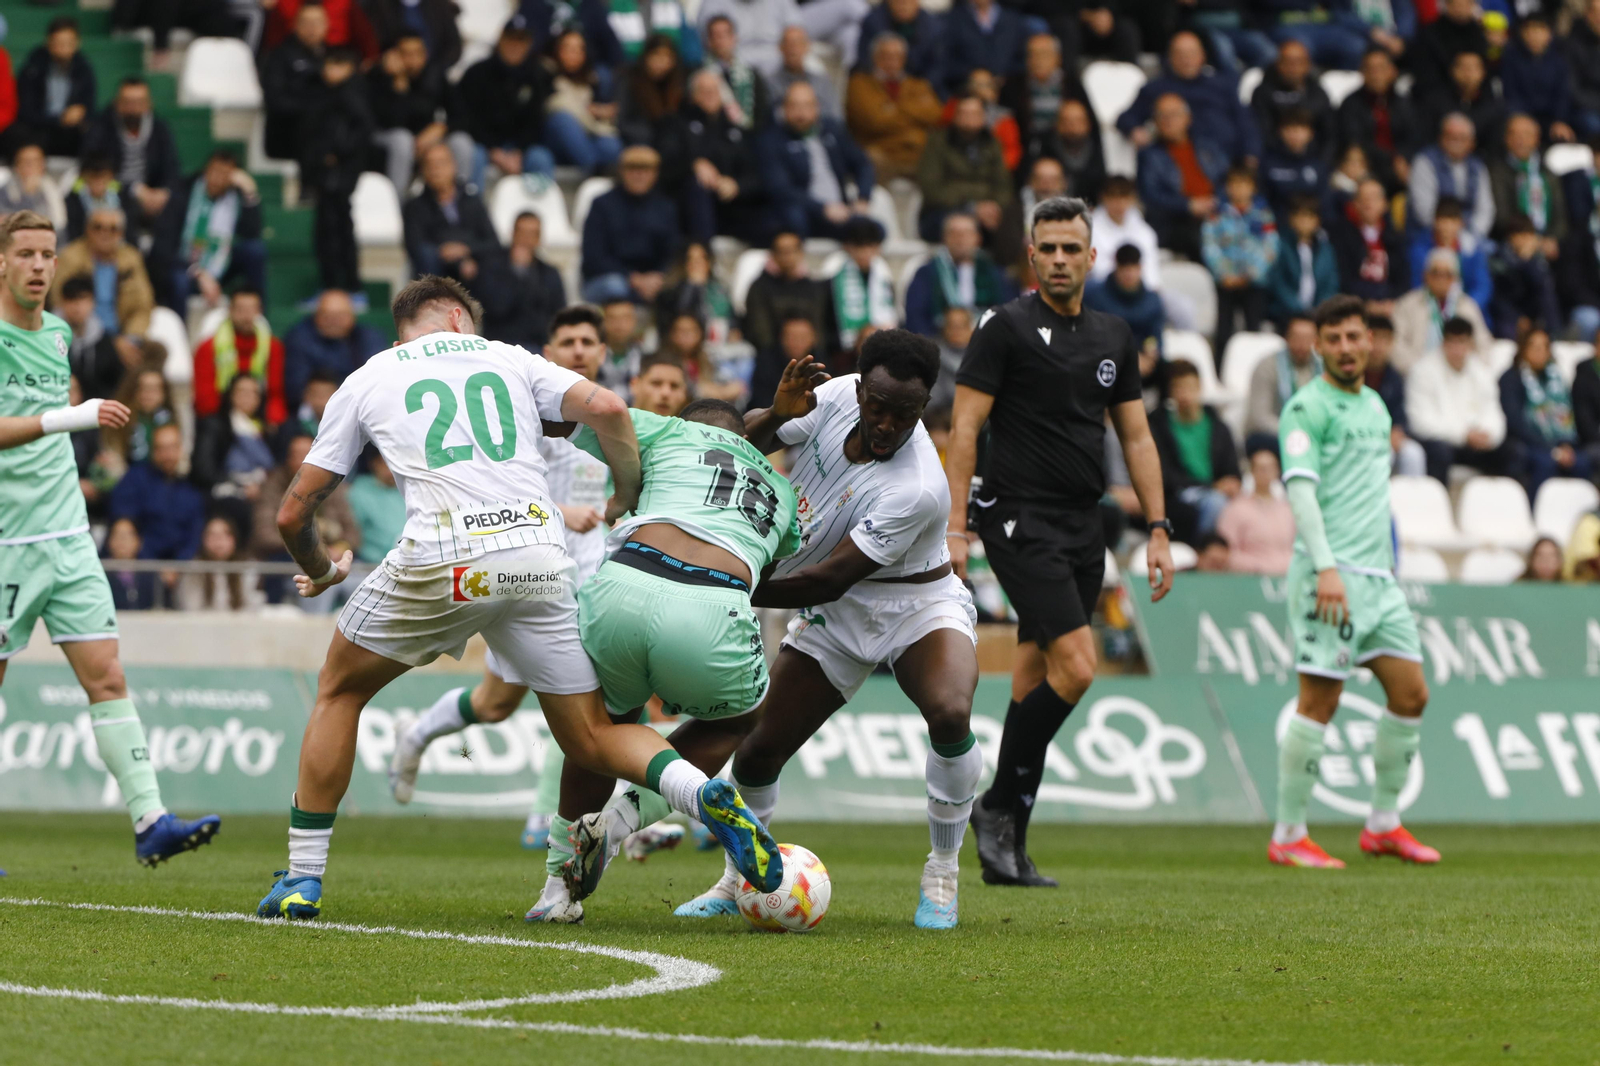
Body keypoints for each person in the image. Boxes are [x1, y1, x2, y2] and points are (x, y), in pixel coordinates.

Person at [255, 276, 783, 921]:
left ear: (408, 331)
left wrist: (321, 568)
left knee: (340, 690)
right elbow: (613, 410)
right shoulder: (507, 355)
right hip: (538, 560)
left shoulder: (371, 373)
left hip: (444, 560)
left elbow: (293, 511)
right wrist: (625, 494)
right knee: (592, 736)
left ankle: (303, 878)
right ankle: (701, 796)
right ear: (457, 317)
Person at [658, 329, 981, 929]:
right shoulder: (830, 398)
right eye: (878, 407)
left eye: (905, 415)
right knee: (756, 753)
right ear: (859, 389)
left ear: (923, 408)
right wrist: (775, 414)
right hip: (840, 614)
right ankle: (735, 881)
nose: (886, 424)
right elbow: (734, 446)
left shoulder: (920, 488)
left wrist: (729, 583)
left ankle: (942, 869)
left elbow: (825, 580)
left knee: (950, 712)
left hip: (918, 604)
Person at [944, 197, 1174, 885]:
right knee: (1078, 667)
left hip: (1084, 521)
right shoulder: (1004, 327)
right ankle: (996, 807)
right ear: (1031, 254)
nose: (1060, 260)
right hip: (1017, 517)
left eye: (1073, 249)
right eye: (1048, 249)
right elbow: (962, 433)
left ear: (1092, 256)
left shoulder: (1113, 334)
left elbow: (1135, 435)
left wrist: (1159, 529)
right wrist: (957, 528)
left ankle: (1006, 843)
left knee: (1034, 677)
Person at [0, 211, 220, 864]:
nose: (39, 266)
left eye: (47, 255)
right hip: (7, 542)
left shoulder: (60, 334)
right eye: (26, 255)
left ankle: (151, 821)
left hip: (66, 537)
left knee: (108, 675)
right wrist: (73, 416)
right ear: (2, 264)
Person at [387, 305, 607, 851]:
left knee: (595, 696)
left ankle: (559, 822)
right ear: (549, 353)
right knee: (496, 704)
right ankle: (417, 734)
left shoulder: (610, 411)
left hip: (599, 578)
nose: (579, 350)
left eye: (588, 341)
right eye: (567, 341)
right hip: (532, 567)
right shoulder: (523, 407)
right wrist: (561, 510)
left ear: (603, 351)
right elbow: (489, 485)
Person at [1270, 293, 1438, 869]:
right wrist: (1326, 568)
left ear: (1371, 341)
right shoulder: (1305, 408)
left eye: (1354, 336)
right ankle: (1289, 833)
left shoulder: (1376, 408)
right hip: (1330, 576)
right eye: (1333, 338)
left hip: (1379, 581)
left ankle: (1383, 824)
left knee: (1411, 693)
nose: (1345, 348)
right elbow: (1301, 492)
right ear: (1317, 346)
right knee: (1320, 702)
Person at [1117, 32, 1260, 168]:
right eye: (1180, 54)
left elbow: (1245, 121)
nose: (1186, 60)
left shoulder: (1222, 86)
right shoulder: (1156, 89)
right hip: (1176, 165)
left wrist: (1250, 153)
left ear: (1202, 56)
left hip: (1227, 159)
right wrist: (1135, 130)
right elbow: (1127, 117)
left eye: (1191, 54)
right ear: (1170, 57)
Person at [759, 81, 875, 241]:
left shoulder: (832, 131)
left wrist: (863, 198)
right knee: (793, 219)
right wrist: (822, 208)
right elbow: (780, 189)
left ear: (817, 108)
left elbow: (863, 165)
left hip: (840, 209)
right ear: (784, 109)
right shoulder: (772, 140)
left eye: (807, 106)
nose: (801, 113)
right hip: (805, 211)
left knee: (873, 231)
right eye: (794, 106)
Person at [302, 49, 374, 295]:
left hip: (338, 175)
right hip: (330, 174)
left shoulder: (349, 93)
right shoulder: (332, 92)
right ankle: (341, 287)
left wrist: (335, 152)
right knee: (332, 229)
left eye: (335, 65)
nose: (328, 71)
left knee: (334, 230)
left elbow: (362, 128)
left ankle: (342, 287)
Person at [157, 150, 265, 313]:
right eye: (213, 171)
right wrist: (198, 273)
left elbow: (252, 233)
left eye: (224, 174)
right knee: (179, 280)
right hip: (184, 265)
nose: (216, 179)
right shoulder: (184, 193)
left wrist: (249, 192)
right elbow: (164, 248)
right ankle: (179, 333)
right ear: (205, 170)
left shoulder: (234, 198)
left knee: (255, 250)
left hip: (221, 263)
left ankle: (259, 319)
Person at [1407, 315, 1511, 484]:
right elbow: (1420, 422)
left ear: (1471, 344)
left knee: (1513, 453)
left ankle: (1500, 507)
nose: (1456, 349)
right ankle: (1437, 506)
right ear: (1443, 343)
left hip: (1475, 443)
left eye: (1461, 342)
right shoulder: (1422, 371)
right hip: (1443, 442)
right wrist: (1463, 435)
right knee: (1439, 452)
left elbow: (1494, 414)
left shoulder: (1481, 372)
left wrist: (1488, 435)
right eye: (1451, 342)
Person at [369, 32, 474, 195]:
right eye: (406, 54)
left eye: (418, 53)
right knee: (402, 140)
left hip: (424, 139)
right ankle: (397, 206)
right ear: (393, 55)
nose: (413, 60)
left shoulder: (434, 74)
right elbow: (388, 120)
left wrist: (441, 128)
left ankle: (460, 203)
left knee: (461, 142)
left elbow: (462, 114)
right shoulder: (377, 76)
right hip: (384, 138)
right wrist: (398, 85)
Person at [1149, 359, 1242, 543]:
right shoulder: (1160, 426)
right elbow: (1166, 476)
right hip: (1180, 493)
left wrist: (1232, 482)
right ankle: (1204, 549)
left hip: (1214, 491)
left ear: (1199, 387)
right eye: (1178, 388)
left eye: (1189, 387)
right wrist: (1212, 486)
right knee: (1215, 502)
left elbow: (1233, 469)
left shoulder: (1219, 427)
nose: (1184, 394)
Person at [454, 16, 553, 185]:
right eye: (511, 39)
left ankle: (538, 209)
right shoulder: (477, 73)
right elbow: (467, 117)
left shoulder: (537, 76)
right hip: (483, 145)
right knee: (474, 156)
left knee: (541, 157)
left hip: (519, 149)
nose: (515, 46)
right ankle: (473, 207)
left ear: (529, 44)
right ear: (501, 39)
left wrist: (519, 151)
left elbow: (536, 122)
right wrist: (494, 151)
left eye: (521, 40)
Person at [52, 207, 154, 370]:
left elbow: (143, 307)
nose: (105, 233)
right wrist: (111, 341)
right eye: (98, 227)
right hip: (83, 333)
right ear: (87, 230)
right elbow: (60, 302)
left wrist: (131, 338)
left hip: (124, 334)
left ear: (121, 234)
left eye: (113, 229)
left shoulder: (131, 259)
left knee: (156, 353)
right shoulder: (70, 257)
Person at [579, 145, 679, 305]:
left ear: (655, 174)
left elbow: (671, 252)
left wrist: (657, 277)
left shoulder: (665, 208)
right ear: (621, 171)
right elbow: (594, 257)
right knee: (615, 287)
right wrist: (634, 278)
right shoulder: (602, 205)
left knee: (679, 290)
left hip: (652, 281)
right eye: (633, 169)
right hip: (608, 279)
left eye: (646, 170)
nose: (639, 175)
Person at [1136, 94, 1226, 261]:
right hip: (1178, 222)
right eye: (1162, 116)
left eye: (1174, 115)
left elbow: (1225, 179)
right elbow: (1150, 196)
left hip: (1216, 212)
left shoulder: (1207, 147)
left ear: (1188, 118)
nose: (1168, 121)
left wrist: (1215, 201)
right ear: (1155, 122)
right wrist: (1188, 205)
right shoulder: (1149, 156)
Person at [1500, 327, 1590, 497]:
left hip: (1557, 442)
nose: (1540, 352)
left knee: (1582, 461)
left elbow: (1566, 416)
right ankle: (1535, 513)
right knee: (1544, 462)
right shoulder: (1511, 378)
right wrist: (1549, 449)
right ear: (1523, 349)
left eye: (1544, 347)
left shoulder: (1556, 378)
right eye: (1534, 347)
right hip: (1529, 442)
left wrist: (1565, 445)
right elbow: (1515, 422)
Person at [915, 95, 1014, 245]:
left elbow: (1003, 185)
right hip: (943, 210)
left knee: (1011, 219)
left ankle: (1001, 268)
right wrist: (973, 207)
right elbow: (931, 188)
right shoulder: (938, 142)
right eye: (964, 113)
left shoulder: (992, 143)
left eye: (975, 113)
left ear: (983, 117)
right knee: (957, 223)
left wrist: (994, 206)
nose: (969, 118)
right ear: (955, 116)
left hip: (987, 211)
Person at [845, 33, 943, 183]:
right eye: (885, 56)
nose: (891, 62)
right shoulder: (859, 84)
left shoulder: (918, 85)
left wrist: (893, 109)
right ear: (874, 58)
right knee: (871, 159)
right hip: (883, 153)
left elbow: (935, 115)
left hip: (919, 154)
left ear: (904, 59)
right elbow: (874, 121)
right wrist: (915, 111)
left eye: (897, 57)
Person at [1203, 166, 1279, 357]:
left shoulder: (1263, 214)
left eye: (1244, 184)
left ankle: (1252, 369)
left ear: (1253, 187)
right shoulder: (1217, 214)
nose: (1239, 189)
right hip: (1226, 283)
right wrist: (1224, 274)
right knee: (1223, 333)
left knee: (1253, 331)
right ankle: (1221, 372)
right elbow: (1210, 245)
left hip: (1254, 283)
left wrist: (1252, 273)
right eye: (1234, 184)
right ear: (1227, 187)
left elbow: (1270, 246)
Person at [109, 421, 207, 564]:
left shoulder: (191, 492)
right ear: (153, 451)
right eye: (161, 448)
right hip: (139, 567)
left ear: (180, 449)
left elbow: (194, 536)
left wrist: (177, 567)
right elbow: (124, 524)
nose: (167, 455)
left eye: (172, 447)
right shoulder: (134, 480)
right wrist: (153, 569)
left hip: (181, 572)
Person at [905, 213, 1013, 340]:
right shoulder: (927, 273)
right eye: (954, 234)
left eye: (966, 233)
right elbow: (916, 315)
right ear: (944, 238)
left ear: (977, 238)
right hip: (940, 343)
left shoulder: (993, 273)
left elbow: (1007, 311)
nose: (960, 239)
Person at [402, 142, 500, 282]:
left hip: (474, 265)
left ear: (454, 166)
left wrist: (465, 249)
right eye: (429, 164)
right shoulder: (414, 206)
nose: (435, 169)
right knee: (427, 256)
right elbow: (414, 245)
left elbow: (492, 242)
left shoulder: (472, 201)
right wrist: (450, 253)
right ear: (423, 171)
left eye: (441, 163)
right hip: (437, 267)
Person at [192, 289, 287, 425]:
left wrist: (273, 419)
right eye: (241, 310)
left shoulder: (273, 347)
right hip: (221, 416)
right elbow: (204, 397)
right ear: (230, 311)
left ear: (259, 311)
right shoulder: (208, 347)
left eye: (251, 309)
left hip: (260, 414)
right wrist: (233, 419)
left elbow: (276, 392)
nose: (246, 316)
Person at [282, 290, 385, 413]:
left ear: (352, 316)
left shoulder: (368, 337)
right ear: (316, 316)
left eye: (341, 316)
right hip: (315, 411)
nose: (334, 322)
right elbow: (297, 388)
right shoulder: (299, 339)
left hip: (358, 408)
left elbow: (376, 381)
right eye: (327, 316)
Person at [1392, 247, 1492, 374]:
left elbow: (1483, 344)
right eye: (1436, 273)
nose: (1441, 279)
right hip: (1416, 372)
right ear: (1425, 275)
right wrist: (1419, 369)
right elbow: (1395, 343)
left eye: (1447, 275)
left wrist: (1468, 370)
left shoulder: (1467, 306)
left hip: (1459, 374)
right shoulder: (1408, 304)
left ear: (1455, 279)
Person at [1336, 48, 1419, 195]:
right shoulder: (1351, 104)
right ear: (1362, 72)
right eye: (1370, 69)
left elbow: (1414, 137)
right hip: (1369, 165)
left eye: (1381, 68)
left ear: (1392, 71)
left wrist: (1404, 158)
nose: (1376, 75)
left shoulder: (1405, 103)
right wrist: (1393, 159)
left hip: (1401, 166)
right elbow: (1355, 140)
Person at [744, 230, 836, 356]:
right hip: (772, 358)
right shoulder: (759, 288)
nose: (787, 257)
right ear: (773, 255)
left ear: (801, 253)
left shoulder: (814, 289)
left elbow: (819, 329)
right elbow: (760, 332)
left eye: (791, 251)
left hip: (812, 356)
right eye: (782, 252)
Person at [15, 16, 96, 158]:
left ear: (77, 43)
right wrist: (59, 119)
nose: (63, 49)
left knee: (93, 133)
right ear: (48, 43)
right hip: (38, 127)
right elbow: (26, 110)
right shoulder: (33, 67)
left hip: (71, 131)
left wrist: (80, 113)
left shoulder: (84, 69)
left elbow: (88, 107)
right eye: (58, 43)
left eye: (68, 43)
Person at [542, 29, 620, 175]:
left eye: (579, 49)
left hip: (587, 135)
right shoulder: (546, 74)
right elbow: (553, 105)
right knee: (562, 119)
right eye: (569, 49)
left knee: (610, 145)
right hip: (556, 142)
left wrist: (599, 113)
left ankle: (600, 173)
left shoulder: (593, 80)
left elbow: (605, 115)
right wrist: (589, 112)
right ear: (557, 50)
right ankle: (593, 170)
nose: (575, 54)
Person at [1488, 114, 1567, 258]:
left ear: (1537, 139)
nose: (1520, 140)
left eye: (1526, 134)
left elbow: (1560, 214)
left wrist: (1551, 238)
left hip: (1547, 240)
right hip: (1511, 238)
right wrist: (1526, 238)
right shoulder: (1497, 170)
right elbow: (1501, 214)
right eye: (1514, 134)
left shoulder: (1548, 172)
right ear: (1506, 138)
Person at [1408, 113, 1494, 243]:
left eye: (1462, 138)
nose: (1457, 142)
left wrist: (1473, 235)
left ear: (1472, 143)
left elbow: (1485, 209)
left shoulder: (1478, 167)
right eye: (1452, 137)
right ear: (1441, 138)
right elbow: (1424, 211)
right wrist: (1452, 236)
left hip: (1471, 236)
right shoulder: (1425, 162)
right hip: (1430, 237)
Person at [262, 3, 329, 160]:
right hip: (290, 131)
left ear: (327, 25)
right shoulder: (279, 56)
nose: (312, 28)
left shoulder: (336, 57)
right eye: (306, 22)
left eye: (317, 22)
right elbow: (274, 100)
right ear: (295, 25)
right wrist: (313, 108)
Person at [1328, 177, 1409, 308]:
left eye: (1373, 197)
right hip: (1354, 304)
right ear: (1354, 204)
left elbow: (1403, 279)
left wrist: (1391, 301)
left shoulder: (1396, 238)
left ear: (1384, 203)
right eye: (1362, 197)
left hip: (1390, 306)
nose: (1368, 202)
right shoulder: (1341, 236)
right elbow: (1344, 279)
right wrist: (1366, 303)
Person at [1216, 443, 1294, 576]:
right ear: (1252, 471)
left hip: (1287, 578)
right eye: (1261, 468)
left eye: (1270, 468)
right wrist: (1258, 568)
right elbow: (1227, 552)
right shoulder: (1236, 508)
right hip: (1251, 579)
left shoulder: (1287, 509)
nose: (1266, 473)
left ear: (1277, 471)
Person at [1365, 314, 1427, 478]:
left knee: (1414, 453)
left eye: (1384, 340)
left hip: (1389, 438)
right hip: (1361, 438)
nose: (1378, 346)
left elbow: (1400, 415)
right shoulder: (1353, 376)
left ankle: (1409, 501)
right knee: (1385, 454)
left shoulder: (1395, 377)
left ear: (1392, 342)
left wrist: (1398, 431)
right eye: (1373, 339)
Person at [1499, 15, 1578, 144]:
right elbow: (1510, 92)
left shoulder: (1559, 59)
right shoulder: (1511, 57)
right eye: (1529, 30)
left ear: (1549, 34)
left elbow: (1563, 94)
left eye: (1539, 30)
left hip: (1550, 118)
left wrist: (1559, 120)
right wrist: (1524, 118)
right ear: (1522, 33)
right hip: (1522, 115)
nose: (1534, 35)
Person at [1266, 196, 1339, 329]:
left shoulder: (1326, 249)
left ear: (1317, 221)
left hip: (1317, 314)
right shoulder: (1280, 245)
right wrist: (1298, 308)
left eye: (1310, 217)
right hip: (1284, 314)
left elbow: (1331, 283)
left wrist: (1320, 308)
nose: (1305, 221)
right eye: (1300, 216)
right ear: (1291, 218)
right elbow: (1277, 281)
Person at [1408, 196, 1491, 313]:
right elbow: (1418, 286)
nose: (1447, 227)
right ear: (1435, 222)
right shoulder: (1420, 250)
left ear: (1460, 223)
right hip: (1430, 310)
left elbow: (1482, 287)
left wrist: (1464, 308)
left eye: (1452, 221)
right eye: (1443, 221)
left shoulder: (1472, 250)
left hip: (1465, 309)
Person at [1246, 314, 1321, 443]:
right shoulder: (1267, 366)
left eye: (1308, 339)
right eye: (1297, 338)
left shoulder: (1323, 367)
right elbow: (1260, 417)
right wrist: (1296, 432)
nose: (1302, 345)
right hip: (1274, 436)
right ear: (1286, 338)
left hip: (1315, 435)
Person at [1251, 39, 1335, 152]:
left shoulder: (1318, 94)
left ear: (1308, 65)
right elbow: (1261, 132)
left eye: (1299, 62)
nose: (1293, 68)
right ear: (1278, 64)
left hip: (1313, 161)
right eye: (1287, 62)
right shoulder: (1262, 93)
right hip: (1273, 159)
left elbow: (1330, 134)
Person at [58, 274, 132, 401]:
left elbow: (117, 381)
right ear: (62, 303)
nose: (77, 306)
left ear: (93, 302)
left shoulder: (105, 341)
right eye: (71, 299)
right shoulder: (50, 337)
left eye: (82, 299)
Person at [831, 216, 897, 354]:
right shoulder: (834, 275)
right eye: (860, 247)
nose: (865, 253)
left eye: (870, 247)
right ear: (849, 248)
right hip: (844, 352)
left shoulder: (885, 276)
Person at [1084, 244, 1163, 360]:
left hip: (1143, 363)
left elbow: (1155, 338)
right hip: (1104, 360)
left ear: (1140, 268)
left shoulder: (1152, 301)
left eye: (1133, 268)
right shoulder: (1093, 295)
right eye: (1124, 268)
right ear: (1116, 267)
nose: (1129, 274)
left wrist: (1150, 356)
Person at [1489, 217, 1562, 341]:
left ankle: (1556, 335)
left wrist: (1528, 262)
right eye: (1520, 235)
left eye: (1528, 235)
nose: (1524, 240)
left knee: (1549, 314)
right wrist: (1518, 318)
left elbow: (1542, 289)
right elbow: (1498, 296)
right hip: (1509, 314)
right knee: (1508, 331)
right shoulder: (1499, 258)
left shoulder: (1537, 260)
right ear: (1510, 237)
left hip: (1534, 313)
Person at [175, 516, 264, 612]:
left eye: (225, 534)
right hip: (204, 624)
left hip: (239, 624)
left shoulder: (247, 568)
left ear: (234, 539)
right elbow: (191, 607)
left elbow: (253, 606)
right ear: (204, 539)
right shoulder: (194, 569)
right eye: (212, 535)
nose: (218, 540)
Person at [856, 0, 946, 89]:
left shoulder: (932, 27)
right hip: (880, 86)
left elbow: (938, 67)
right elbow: (865, 62)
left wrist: (918, 87)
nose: (903, 5)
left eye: (908, 1)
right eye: (899, 1)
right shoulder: (873, 22)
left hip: (919, 87)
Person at [1089, 176, 1160, 289]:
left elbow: (1151, 273)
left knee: (1181, 305)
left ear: (1132, 199)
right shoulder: (1089, 231)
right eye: (1113, 197)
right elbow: (1099, 272)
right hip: (1104, 293)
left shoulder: (1146, 232)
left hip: (1141, 294)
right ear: (1103, 198)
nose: (1119, 203)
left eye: (1124, 197)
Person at [1259, 110, 1326, 231]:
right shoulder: (1268, 163)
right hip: (1275, 229)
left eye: (1300, 129)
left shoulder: (1318, 165)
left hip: (1310, 231)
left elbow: (1325, 202)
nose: (1294, 134)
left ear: (1310, 133)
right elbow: (1262, 200)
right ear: (1280, 132)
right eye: (1289, 129)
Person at [347, 452, 406, 565]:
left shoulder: (407, 490)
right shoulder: (359, 490)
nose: (390, 468)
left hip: (410, 560)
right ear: (374, 463)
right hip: (371, 564)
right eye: (385, 463)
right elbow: (353, 531)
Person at [0, 143, 66, 232]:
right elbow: (11, 223)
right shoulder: (5, 192)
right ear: (17, 166)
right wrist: (29, 195)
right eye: (26, 162)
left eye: (36, 161)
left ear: (43, 165)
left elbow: (60, 226)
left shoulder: (52, 190)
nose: (31, 166)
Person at [103, 517, 160, 611]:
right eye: (117, 535)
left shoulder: (150, 574)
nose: (122, 541)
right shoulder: (102, 574)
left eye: (127, 535)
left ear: (138, 541)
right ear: (109, 541)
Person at [630, 351, 691, 417]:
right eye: (656, 383)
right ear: (635, 385)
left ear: (685, 392)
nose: (665, 393)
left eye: (674, 386)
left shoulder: (695, 426)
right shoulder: (617, 425)